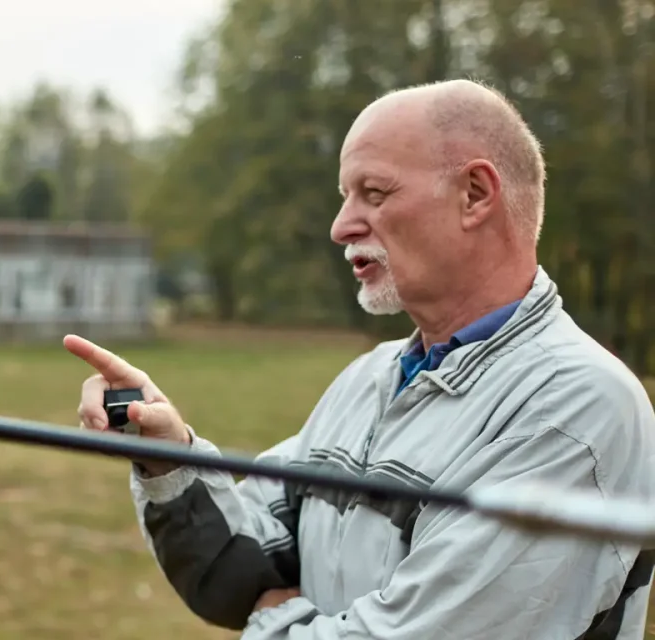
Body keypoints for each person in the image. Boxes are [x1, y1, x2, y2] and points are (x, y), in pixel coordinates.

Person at [66, 79, 655, 638]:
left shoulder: (576, 409)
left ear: (475, 195)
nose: (341, 226)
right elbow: (236, 569)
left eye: (374, 193)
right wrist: (167, 456)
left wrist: (271, 620)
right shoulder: (367, 380)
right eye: (346, 196)